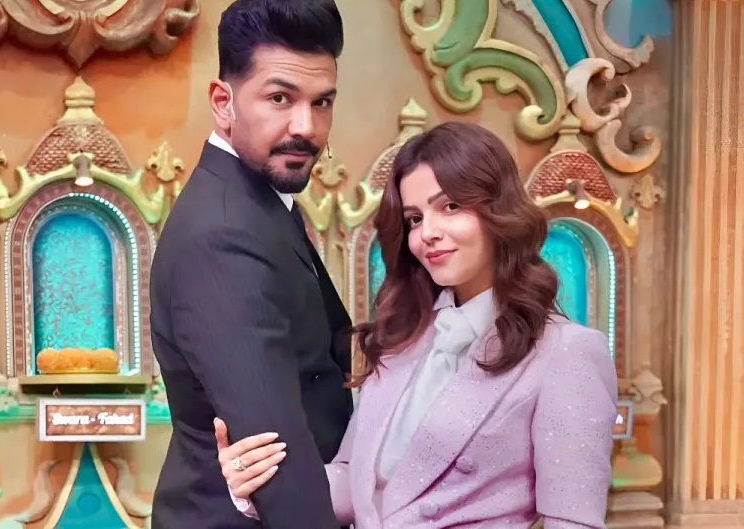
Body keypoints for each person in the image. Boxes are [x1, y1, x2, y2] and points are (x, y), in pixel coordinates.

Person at [213, 122, 619, 528]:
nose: (428, 234)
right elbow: (355, 484)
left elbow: (573, 522)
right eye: (414, 219)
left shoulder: (566, 351)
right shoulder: (402, 338)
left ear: (498, 208)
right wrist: (260, 483)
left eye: (451, 207)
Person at [148, 1, 353, 527]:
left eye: (323, 102)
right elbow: (274, 453)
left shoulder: (260, 201)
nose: (306, 127)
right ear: (224, 102)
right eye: (280, 98)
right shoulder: (222, 234)